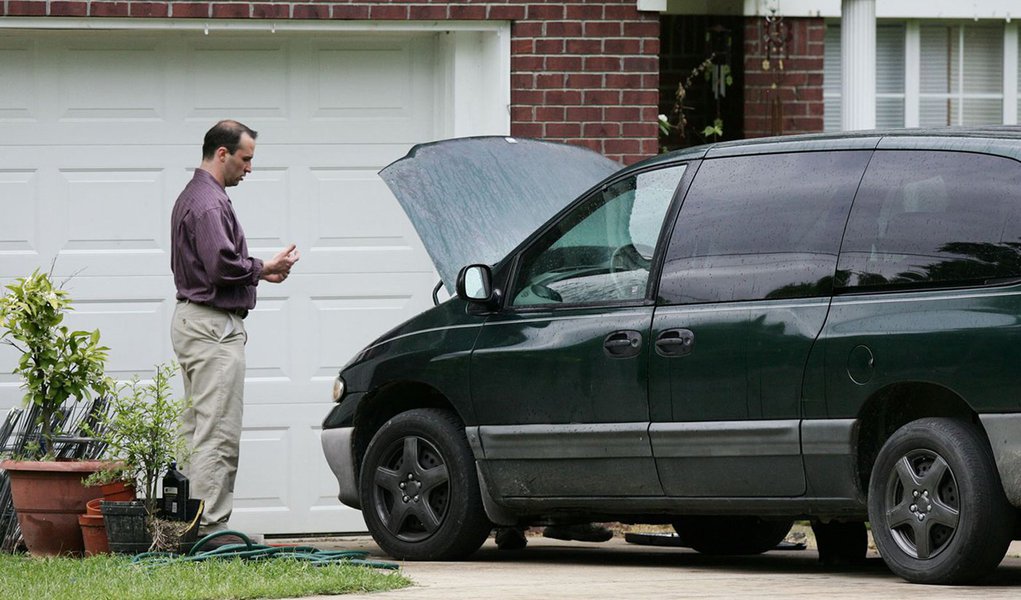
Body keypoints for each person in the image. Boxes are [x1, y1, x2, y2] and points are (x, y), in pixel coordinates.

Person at [170, 120, 299, 540]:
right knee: (217, 431)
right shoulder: (208, 203)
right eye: (245, 159)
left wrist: (258, 274)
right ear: (221, 153)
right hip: (212, 328)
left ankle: (185, 523)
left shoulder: (196, 196)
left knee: (195, 428)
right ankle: (209, 528)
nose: (249, 168)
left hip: (194, 320)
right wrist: (264, 268)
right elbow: (221, 265)